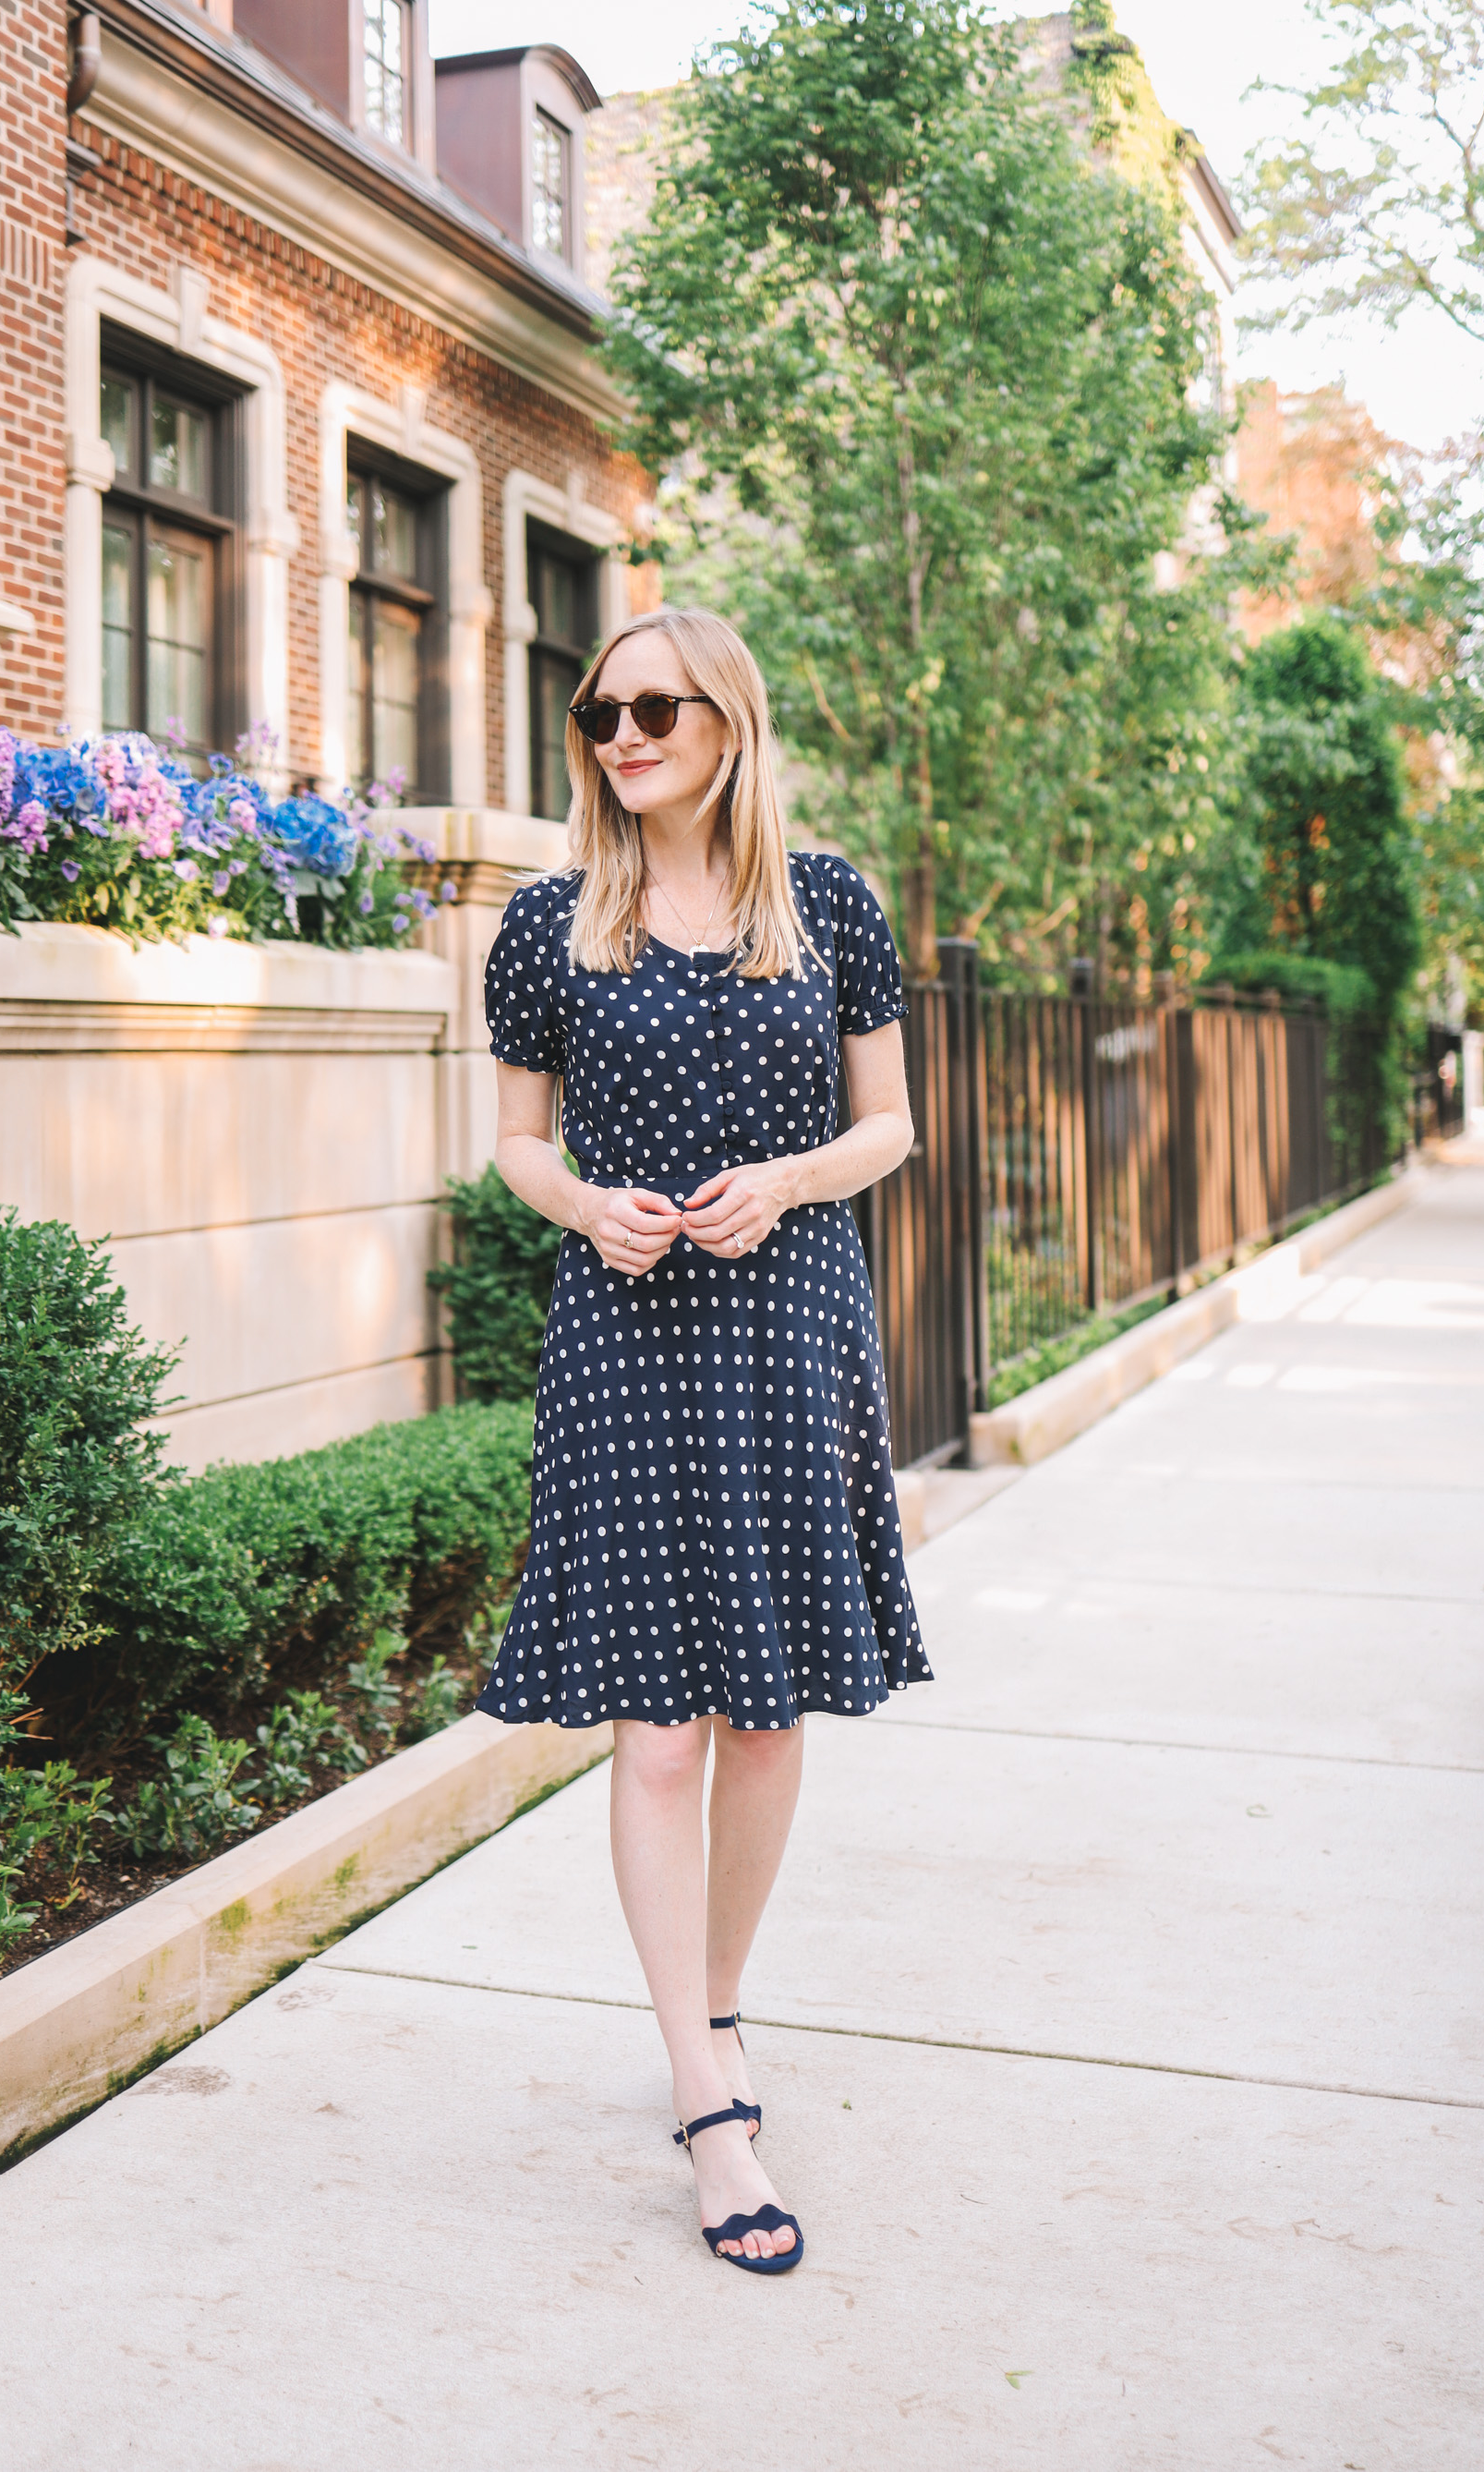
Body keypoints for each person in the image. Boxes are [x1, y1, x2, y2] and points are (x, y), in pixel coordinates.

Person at [479, 605, 932, 2275]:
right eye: (598, 713)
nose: (620, 736)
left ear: (728, 720)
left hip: (790, 1328)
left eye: (652, 708)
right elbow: (518, 1144)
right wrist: (588, 1202)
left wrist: (793, 1178)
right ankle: (704, 2099)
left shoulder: (830, 908)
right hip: (626, 1335)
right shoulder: (549, 925)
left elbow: (890, 1124)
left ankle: (719, 2000)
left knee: (763, 1715)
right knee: (656, 1731)